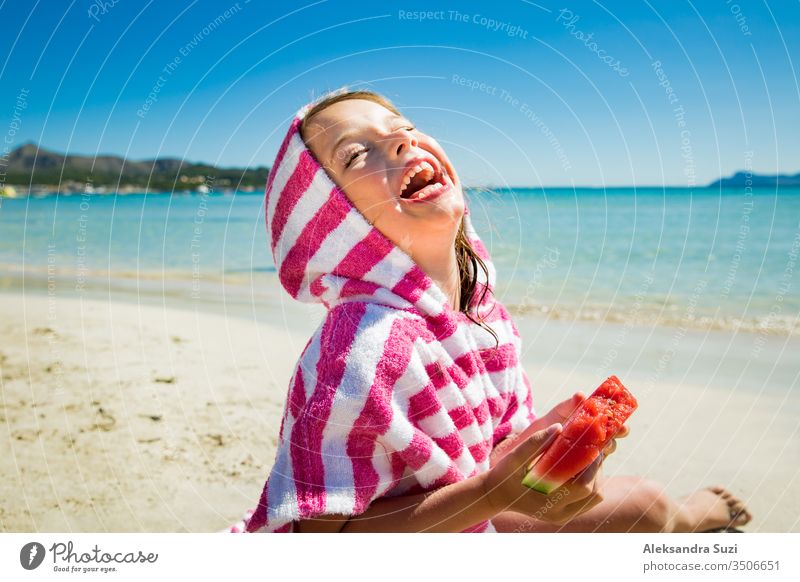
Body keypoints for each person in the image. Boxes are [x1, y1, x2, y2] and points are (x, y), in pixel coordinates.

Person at [226, 87, 752, 533]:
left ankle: (684, 515)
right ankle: (698, 515)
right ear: (334, 220)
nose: (398, 139)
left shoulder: (482, 316)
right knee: (647, 508)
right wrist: (490, 495)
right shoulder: (360, 349)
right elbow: (315, 538)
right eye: (356, 154)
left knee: (640, 501)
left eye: (402, 126)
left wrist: (545, 443)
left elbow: (489, 453)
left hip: (469, 516)